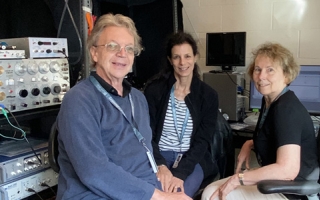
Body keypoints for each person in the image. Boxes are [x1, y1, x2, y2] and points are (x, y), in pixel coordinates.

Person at [56, 13, 192, 200]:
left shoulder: (137, 98)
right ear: (94, 52)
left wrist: (161, 170)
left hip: (141, 188)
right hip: (96, 194)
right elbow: (94, 172)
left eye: (129, 49)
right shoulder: (79, 100)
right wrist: (157, 196)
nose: (122, 54)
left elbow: (143, 150)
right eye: (112, 46)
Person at [201, 42, 319, 200]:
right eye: (258, 69)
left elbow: (288, 170)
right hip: (277, 184)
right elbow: (276, 137)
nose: (261, 76)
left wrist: (239, 178)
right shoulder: (270, 101)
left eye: (270, 70)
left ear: (286, 74)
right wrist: (249, 143)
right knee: (212, 190)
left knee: (213, 195)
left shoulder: (286, 110)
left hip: (291, 192)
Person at [143, 32, 219, 198]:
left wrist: (180, 173)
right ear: (170, 60)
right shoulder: (155, 91)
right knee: (154, 194)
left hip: (190, 160)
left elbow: (202, 142)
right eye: (176, 57)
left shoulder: (208, 96)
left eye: (187, 56)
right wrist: (161, 165)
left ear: (195, 57)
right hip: (158, 157)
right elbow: (146, 133)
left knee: (178, 194)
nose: (182, 62)